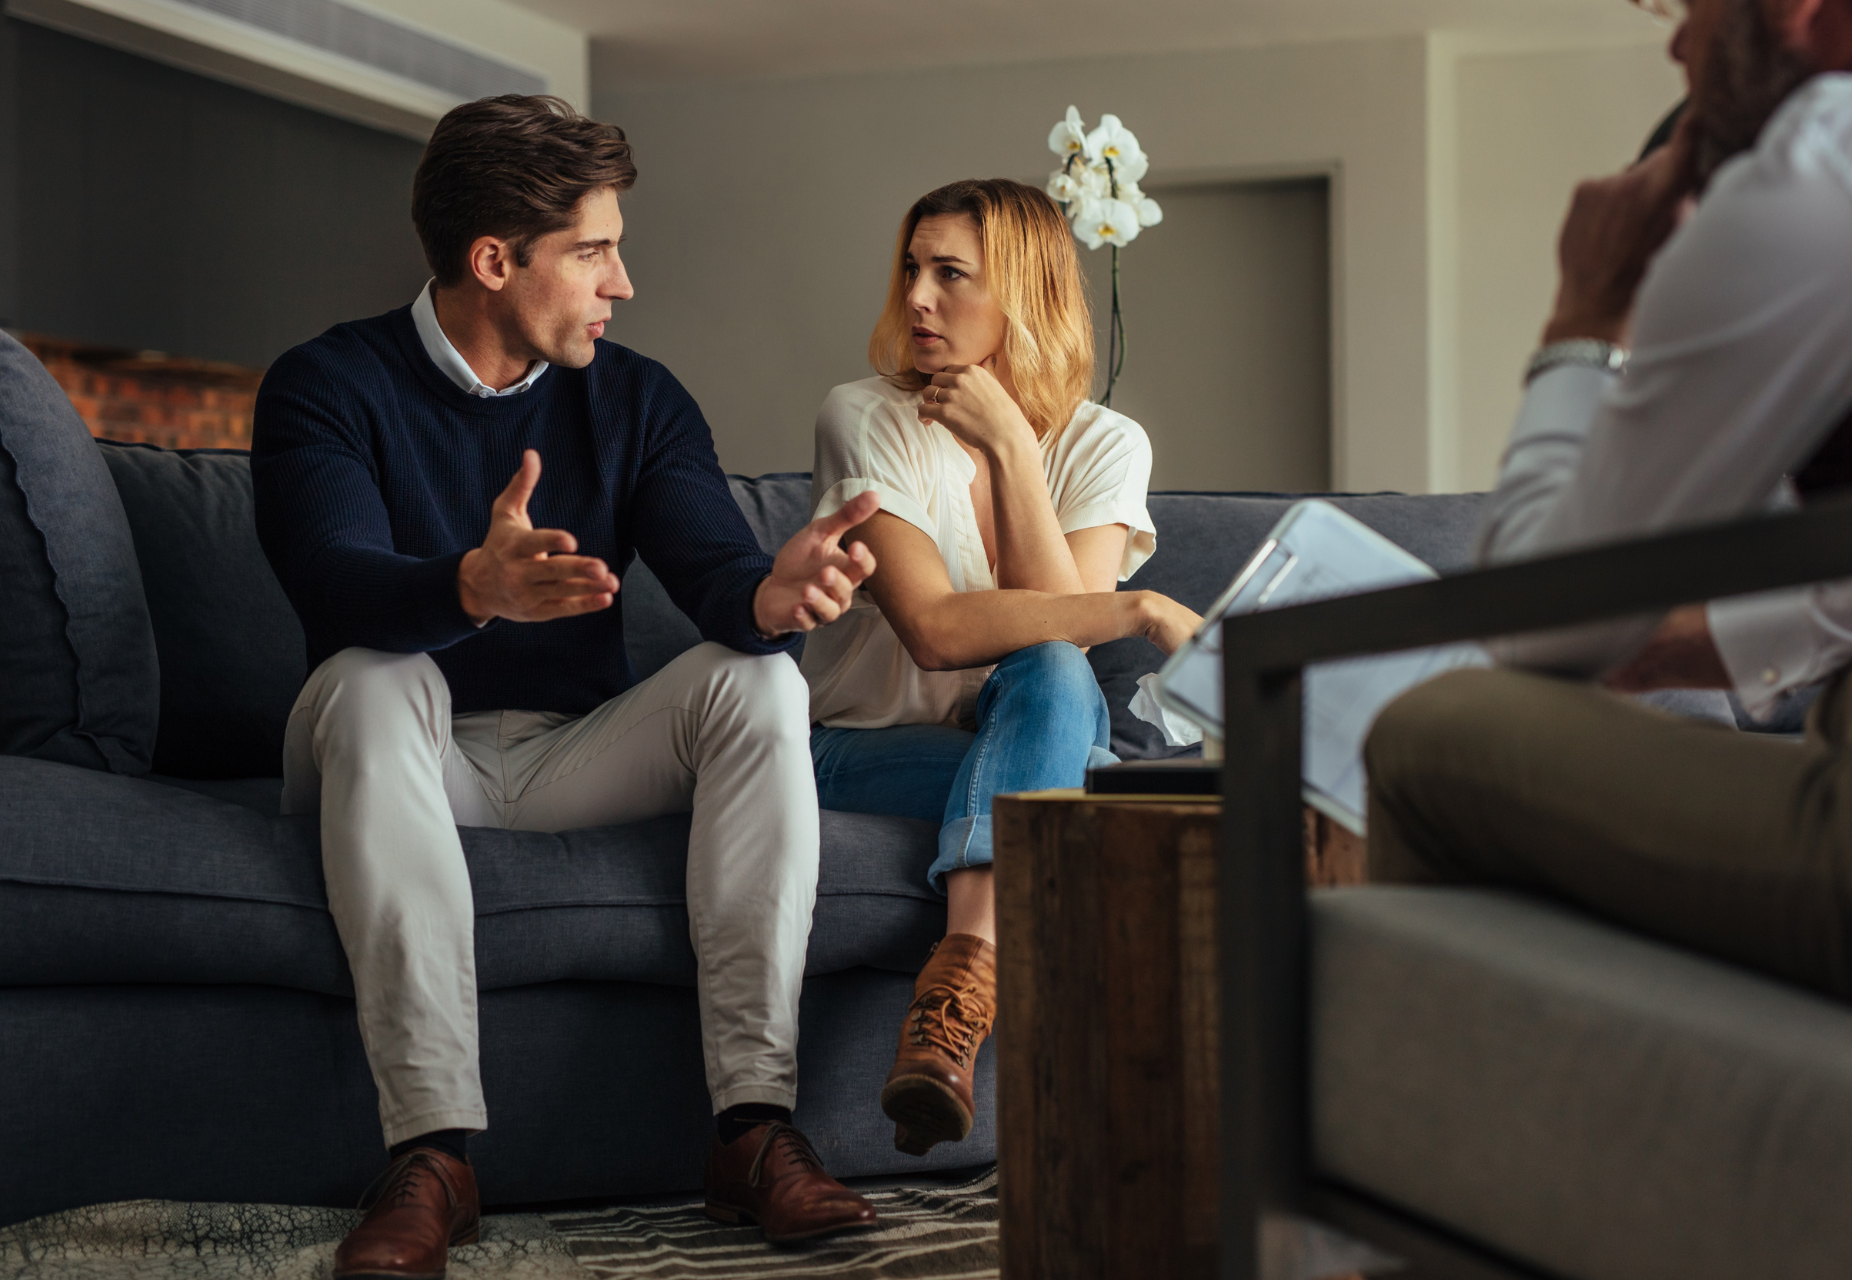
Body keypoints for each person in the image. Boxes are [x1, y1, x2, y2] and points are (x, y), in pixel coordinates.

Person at [252, 96, 888, 1274]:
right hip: (397, 753)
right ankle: (431, 1155)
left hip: (568, 753)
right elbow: (333, 583)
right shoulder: (325, 384)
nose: (623, 281)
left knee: (758, 685)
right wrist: (470, 589)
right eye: (594, 250)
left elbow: (714, 570)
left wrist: (772, 597)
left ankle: (753, 1130)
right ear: (496, 261)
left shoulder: (637, 398)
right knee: (372, 676)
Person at [1364, 0, 1852, 1018]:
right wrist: (1677, 648)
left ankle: (1465, 1158)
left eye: (1689, 8)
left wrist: (1584, 317)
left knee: (1434, 732)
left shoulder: (1834, 167)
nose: (1675, 45)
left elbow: (1543, 622)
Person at [800, 179, 1203, 1155]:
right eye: (911, 269)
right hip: (854, 746)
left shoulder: (1105, 443)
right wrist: (1142, 607)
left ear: (1020, 293)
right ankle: (991, 994)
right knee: (1081, 792)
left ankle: (957, 994)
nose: (919, 297)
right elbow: (935, 629)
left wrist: (1017, 450)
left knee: (1057, 689)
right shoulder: (863, 415)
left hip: (1009, 741)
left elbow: (1053, 642)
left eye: (951, 274)